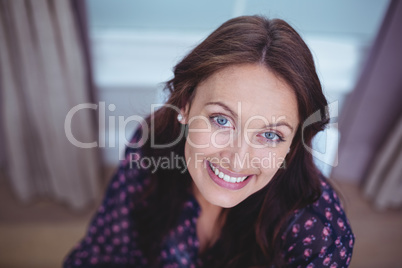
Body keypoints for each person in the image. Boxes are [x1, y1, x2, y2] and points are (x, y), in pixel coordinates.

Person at [64, 15, 354, 267]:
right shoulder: (153, 141)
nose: (238, 158)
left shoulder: (318, 236)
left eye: (270, 135)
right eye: (222, 120)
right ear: (186, 106)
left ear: (292, 143)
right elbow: (102, 252)